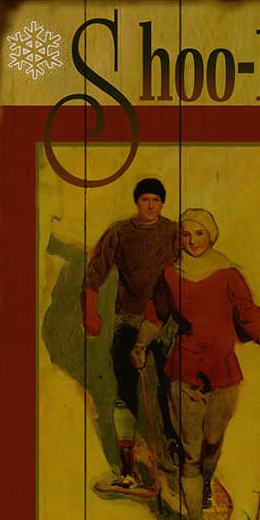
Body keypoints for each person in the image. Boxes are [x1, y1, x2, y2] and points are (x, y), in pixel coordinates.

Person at [132, 208, 260, 520]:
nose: (191, 241)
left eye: (199, 234)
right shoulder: (170, 275)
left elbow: (250, 318)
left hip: (223, 373)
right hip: (183, 371)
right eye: (185, 235)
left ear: (211, 235)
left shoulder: (229, 275)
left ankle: (207, 479)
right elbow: (157, 316)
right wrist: (141, 345)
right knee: (190, 452)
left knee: (212, 441)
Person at [81, 177, 181, 499]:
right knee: (125, 390)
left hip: (165, 319)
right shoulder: (120, 232)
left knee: (169, 387)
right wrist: (90, 311)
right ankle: (127, 472)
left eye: (156, 200)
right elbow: (96, 269)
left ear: (162, 203)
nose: (151, 205)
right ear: (137, 202)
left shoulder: (174, 232)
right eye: (145, 200)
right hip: (128, 317)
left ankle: (178, 465)